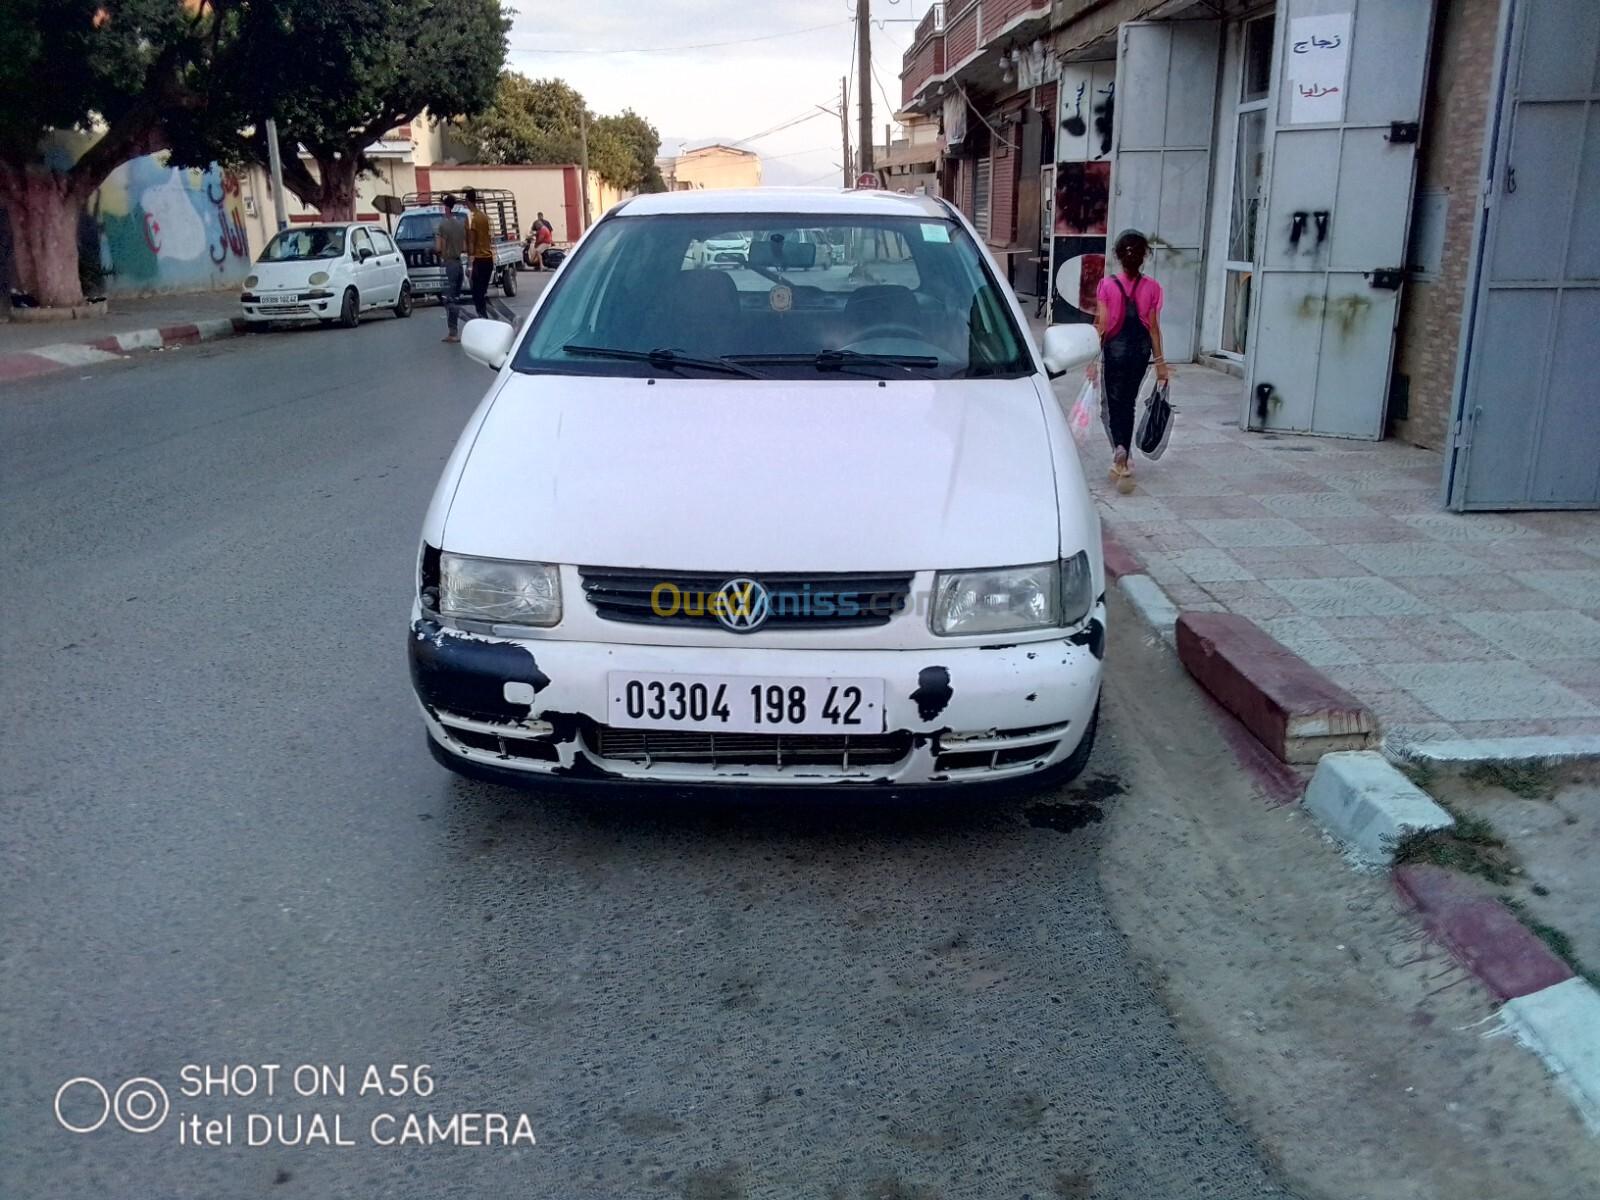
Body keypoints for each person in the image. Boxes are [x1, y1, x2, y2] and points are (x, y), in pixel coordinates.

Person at [1086, 228, 1170, 494]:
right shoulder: (1153, 288)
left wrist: (1091, 359)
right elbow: (1154, 328)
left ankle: (1121, 449)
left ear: (1119, 257)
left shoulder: (1107, 285)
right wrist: (1160, 364)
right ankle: (1124, 453)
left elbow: (1101, 325)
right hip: (1141, 351)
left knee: (1113, 402)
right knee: (1129, 403)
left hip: (1115, 350)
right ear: (1144, 256)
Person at [434, 194, 467, 343]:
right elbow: (465, 247)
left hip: (449, 264)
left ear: (446, 207)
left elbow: (439, 247)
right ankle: (457, 330)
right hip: (459, 263)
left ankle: (452, 332)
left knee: (448, 299)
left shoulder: (443, 226)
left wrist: (435, 251)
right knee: (456, 297)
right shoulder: (460, 224)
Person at [463, 187, 494, 320]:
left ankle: (483, 317)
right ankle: (485, 315)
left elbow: (471, 241)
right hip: (488, 258)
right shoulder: (485, 217)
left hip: (479, 260)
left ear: (467, 200)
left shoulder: (472, 219)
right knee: (482, 291)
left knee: (477, 293)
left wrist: (469, 264)